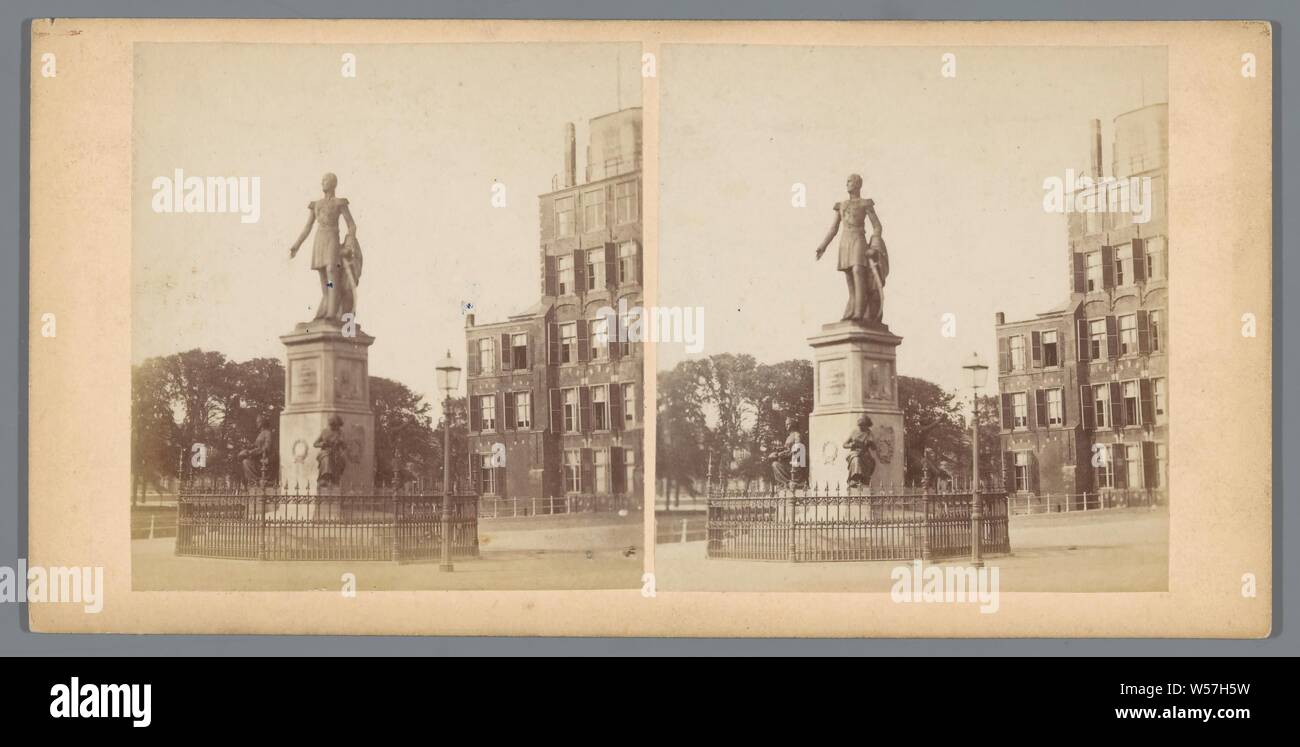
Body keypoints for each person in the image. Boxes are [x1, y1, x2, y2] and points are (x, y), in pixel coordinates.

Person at [814, 173, 888, 325]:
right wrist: (823, 246)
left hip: (858, 240)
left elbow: (877, 226)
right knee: (849, 276)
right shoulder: (841, 205)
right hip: (845, 242)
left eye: (850, 181)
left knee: (857, 271)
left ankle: (859, 312)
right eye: (847, 181)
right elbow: (833, 228)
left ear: (857, 184)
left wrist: (874, 245)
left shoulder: (865, 203)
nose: (847, 183)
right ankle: (853, 308)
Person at [289, 173, 360, 322]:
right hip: (319, 239)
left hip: (332, 238)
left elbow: (351, 225)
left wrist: (350, 243)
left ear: (333, 183)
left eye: (325, 180)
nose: (323, 182)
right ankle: (328, 305)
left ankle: (331, 313)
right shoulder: (316, 204)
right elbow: (307, 227)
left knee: (331, 271)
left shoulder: (340, 203)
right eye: (322, 180)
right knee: (323, 276)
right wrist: (296, 245)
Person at [770, 417, 807, 489]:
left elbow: (797, 449)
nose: (786, 426)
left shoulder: (796, 435)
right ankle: (786, 483)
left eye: (788, 424)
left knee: (775, 465)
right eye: (786, 424)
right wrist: (777, 452)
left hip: (795, 464)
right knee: (775, 464)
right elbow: (786, 449)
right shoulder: (789, 437)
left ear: (793, 424)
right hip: (788, 462)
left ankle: (789, 483)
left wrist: (778, 455)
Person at [238, 415, 274, 486]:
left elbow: (267, 447)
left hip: (263, 460)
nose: (257, 423)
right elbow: (255, 445)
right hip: (257, 458)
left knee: (245, 462)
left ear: (262, 423)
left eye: (258, 422)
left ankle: (256, 480)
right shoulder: (261, 434)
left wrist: (251, 452)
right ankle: (252, 482)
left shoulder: (268, 433)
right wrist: (248, 446)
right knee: (243, 460)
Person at [314, 415, 349, 487]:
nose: (334, 427)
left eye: (336, 425)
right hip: (325, 451)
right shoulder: (324, 431)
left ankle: (334, 480)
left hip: (336, 452)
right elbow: (315, 444)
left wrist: (341, 442)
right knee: (327, 458)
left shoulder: (340, 433)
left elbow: (345, 446)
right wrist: (322, 444)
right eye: (332, 425)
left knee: (339, 459)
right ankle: (324, 478)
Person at [843, 415, 878, 488]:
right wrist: (851, 445)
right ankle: (854, 479)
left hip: (864, 453)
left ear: (866, 425)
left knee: (870, 461)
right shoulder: (854, 432)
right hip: (854, 452)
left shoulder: (869, 433)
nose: (861, 427)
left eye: (863, 425)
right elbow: (844, 444)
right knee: (856, 459)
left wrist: (871, 443)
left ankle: (864, 480)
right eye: (859, 425)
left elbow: (874, 448)